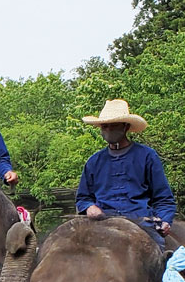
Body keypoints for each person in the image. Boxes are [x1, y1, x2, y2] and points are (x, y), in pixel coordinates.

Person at [75, 99, 176, 249]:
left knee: (162, 258)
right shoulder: (94, 161)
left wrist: (164, 220)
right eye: (105, 126)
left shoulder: (147, 156)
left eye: (113, 125)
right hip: (101, 222)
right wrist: (90, 208)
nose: (108, 130)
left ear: (126, 127)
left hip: (141, 221)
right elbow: (83, 198)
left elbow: (164, 198)